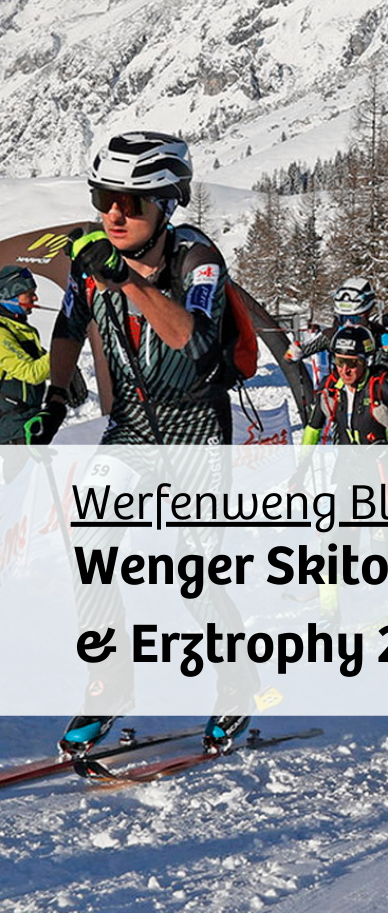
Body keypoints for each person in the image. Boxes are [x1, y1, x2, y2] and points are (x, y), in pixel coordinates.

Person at [42, 131, 250, 756]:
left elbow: (194, 340)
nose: (114, 214)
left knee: (193, 573)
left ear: (166, 206)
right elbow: (68, 328)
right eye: (104, 198)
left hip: (195, 427)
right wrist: (55, 399)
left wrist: (131, 285)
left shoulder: (197, 259)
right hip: (132, 423)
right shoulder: (90, 260)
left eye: (130, 203)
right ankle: (111, 683)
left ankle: (236, 683)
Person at [287, 279, 388, 417]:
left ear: (367, 314)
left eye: (355, 320)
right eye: (343, 319)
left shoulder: (383, 339)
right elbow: (293, 356)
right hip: (342, 410)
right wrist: (293, 352)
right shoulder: (330, 336)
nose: (349, 325)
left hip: (378, 411)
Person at [301, 326, 388, 446]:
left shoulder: (382, 387)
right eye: (339, 362)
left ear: (365, 361)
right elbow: (312, 429)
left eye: (352, 363)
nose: (345, 370)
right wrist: (303, 460)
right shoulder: (330, 385)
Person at [0, 266, 50, 445]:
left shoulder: (20, 329)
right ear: (10, 296)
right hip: (11, 428)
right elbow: (31, 373)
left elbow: (42, 365)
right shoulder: (2, 333)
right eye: (29, 294)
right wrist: (62, 350)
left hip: (28, 421)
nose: (35, 298)